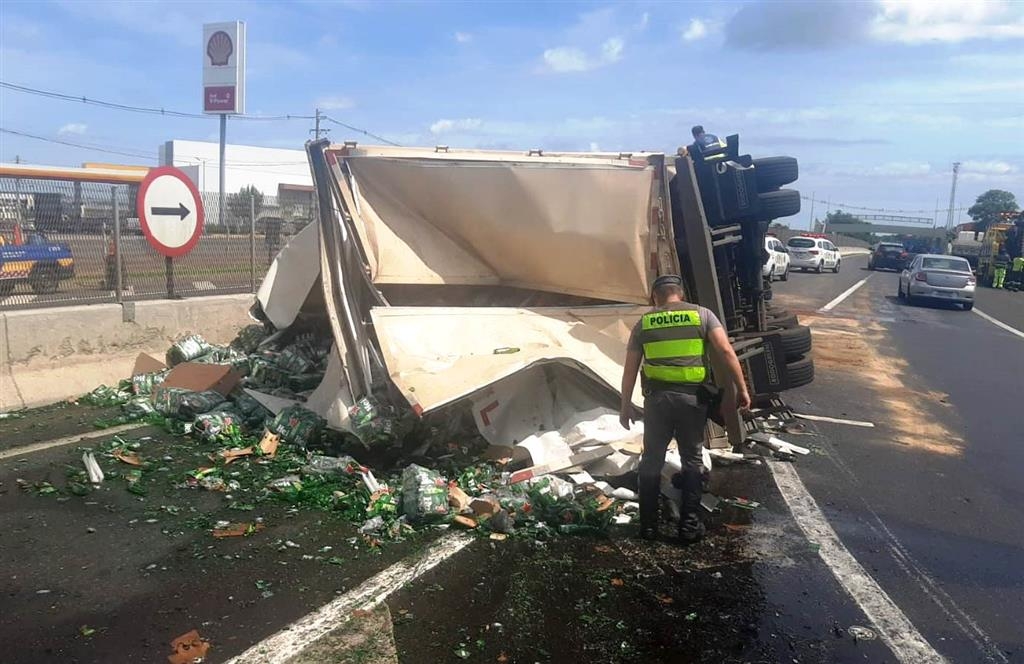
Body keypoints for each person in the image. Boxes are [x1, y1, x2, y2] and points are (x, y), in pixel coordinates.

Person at [619, 274, 751, 543]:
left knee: (652, 459)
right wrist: (742, 389)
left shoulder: (644, 323)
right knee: (692, 458)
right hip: (692, 401)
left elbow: (630, 368)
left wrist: (624, 406)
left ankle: (648, 527)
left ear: (656, 296)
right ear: (680, 292)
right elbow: (726, 351)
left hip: (657, 401)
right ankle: (688, 527)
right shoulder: (702, 315)